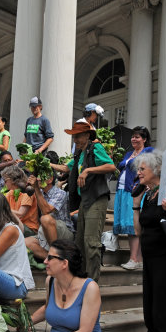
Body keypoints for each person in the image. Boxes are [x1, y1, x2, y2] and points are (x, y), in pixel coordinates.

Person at [24, 239, 104, 332]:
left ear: (64, 263)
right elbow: (47, 308)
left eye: (50, 258)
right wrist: (27, 323)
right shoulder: (51, 281)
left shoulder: (90, 288)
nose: (45, 261)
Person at [50, 121, 116, 282]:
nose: (75, 140)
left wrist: (87, 171)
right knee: (80, 243)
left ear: (87, 135)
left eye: (78, 136)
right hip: (84, 200)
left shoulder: (95, 148)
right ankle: (81, 278)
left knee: (91, 243)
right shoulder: (80, 154)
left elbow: (111, 166)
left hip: (97, 199)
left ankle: (92, 283)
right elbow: (66, 168)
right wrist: (46, 163)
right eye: (74, 137)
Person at [133, 151, 166, 332]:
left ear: (156, 171)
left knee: (163, 320)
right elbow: (139, 232)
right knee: (150, 318)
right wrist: (136, 206)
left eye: (142, 170)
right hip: (149, 264)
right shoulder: (147, 195)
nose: (138, 173)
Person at [113, 126, 153, 270]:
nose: (134, 139)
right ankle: (140, 259)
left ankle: (134, 259)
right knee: (131, 224)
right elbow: (120, 167)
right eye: (133, 136)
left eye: (137, 136)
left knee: (134, 224)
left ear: (144, 139)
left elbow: (152, 168)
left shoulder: (148, 151)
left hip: (136, 191)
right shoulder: (129, 153)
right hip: (123, 190)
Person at [25, 172, 74, 260]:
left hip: (65, 232)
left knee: (45, 218)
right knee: (26, 242)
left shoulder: (60, 193)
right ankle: (54, 260)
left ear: (50, 179)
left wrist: (36, 188)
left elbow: (46, 211)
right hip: (46, 231)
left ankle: (54, 253)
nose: (37, 180)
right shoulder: (40, 191)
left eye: (39, 177)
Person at [1, 165, 39, 237]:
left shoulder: (27, 192)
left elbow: (20, 214)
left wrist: (1, 208)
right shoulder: (10, 193)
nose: (4, 183)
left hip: (29, 229)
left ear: (12, 180)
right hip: (13, 225)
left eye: (5, 180)